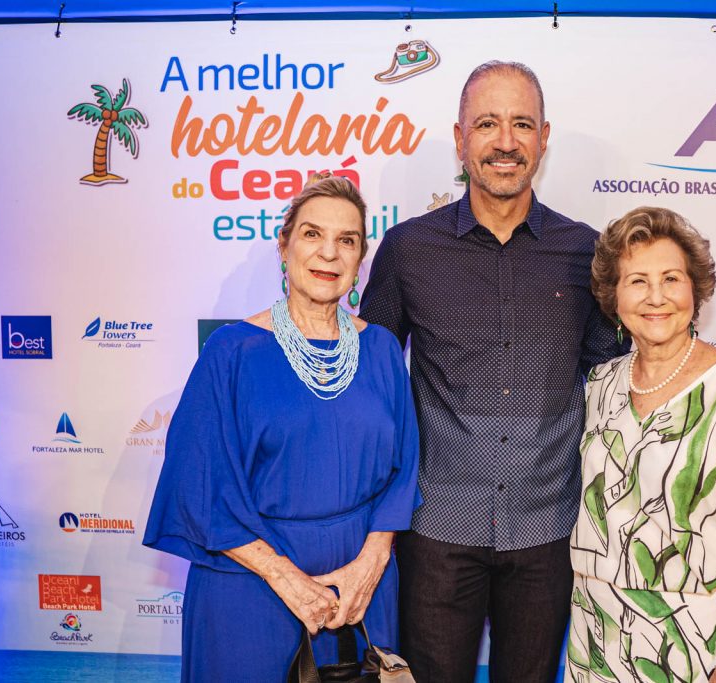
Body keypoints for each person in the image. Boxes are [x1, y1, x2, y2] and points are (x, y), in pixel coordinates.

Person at [359, 61, 629, 682]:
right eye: (487, 124)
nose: (505, 142)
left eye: (522, 124)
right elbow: (368, 382)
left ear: (543, 138)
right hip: (436, 529)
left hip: (548, 530)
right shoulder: (408, 249)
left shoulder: (586, 252)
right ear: (460, 139)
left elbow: (614, 382)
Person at [143, 175, 420, 682]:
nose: (329, 253)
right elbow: (198, 485)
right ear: (284, 246)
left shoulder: (382, 350)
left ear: (360, 259)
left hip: (360, 589)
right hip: (249, 586)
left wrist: (371, 562)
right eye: (312, 234)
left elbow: (405, 472)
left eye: (347, 240)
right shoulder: (231, 352)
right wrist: (284, 576)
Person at [567, 206, 716, 683]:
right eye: (637, 281)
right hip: (597, 640)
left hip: (701, 644)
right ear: (613, 296)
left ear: (695, 289)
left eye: (671, 279)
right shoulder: (601, 384)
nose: (656, 297)